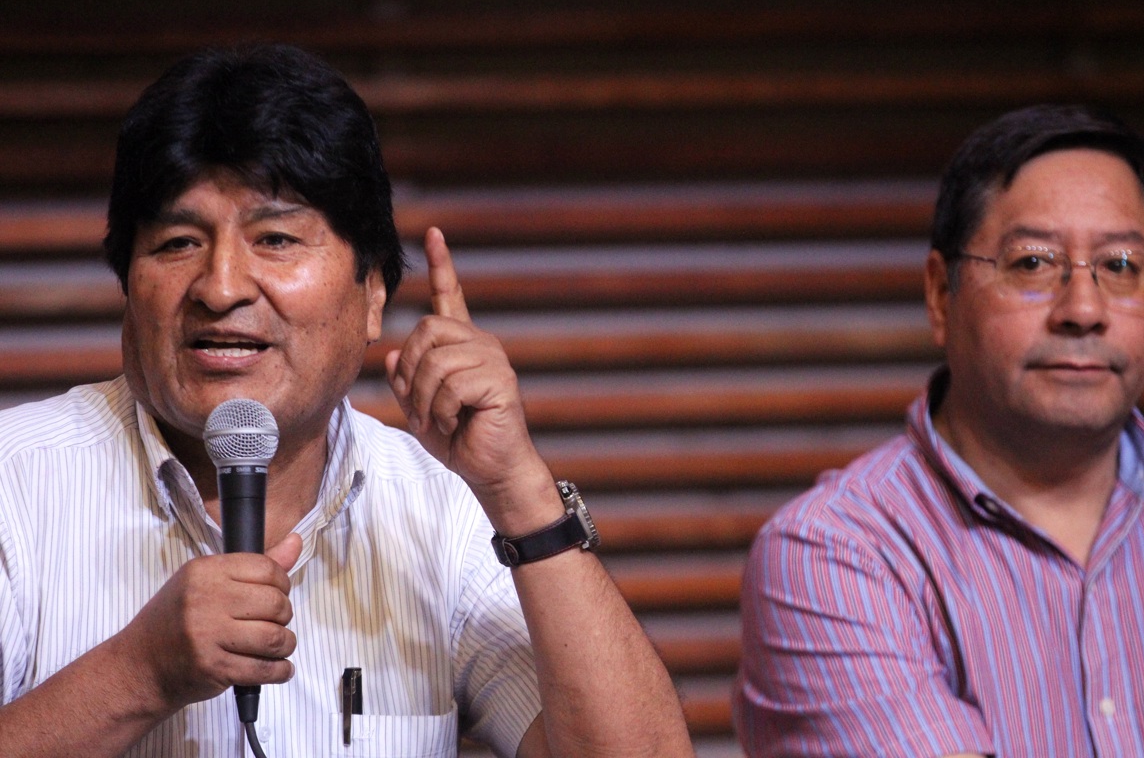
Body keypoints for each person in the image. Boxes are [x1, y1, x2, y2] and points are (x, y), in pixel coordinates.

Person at [0, 44, 693, 757]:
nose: (221, 286)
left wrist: (519, 489)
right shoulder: (12, 487)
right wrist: (136, 675)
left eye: (274, 238)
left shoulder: (440, 510)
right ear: (127, 290)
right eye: (178, 242)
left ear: (372, 297)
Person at [735, 104, 1144, 756]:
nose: (1085, 310)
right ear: (938, 294)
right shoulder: (833, 556)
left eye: (1121, 266)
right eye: (1033, 263)